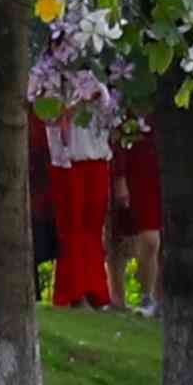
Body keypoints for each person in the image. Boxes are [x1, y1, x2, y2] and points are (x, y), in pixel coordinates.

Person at [35, 95, 122, 311]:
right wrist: (76, 103)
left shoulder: (103, 76)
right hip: (68, 160)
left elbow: (114, 116)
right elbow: (46, 114)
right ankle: (74, 292)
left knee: (93, 228)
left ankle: (96, 292)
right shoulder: (50, 75)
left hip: (98, 158)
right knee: (73, 227)